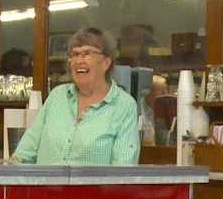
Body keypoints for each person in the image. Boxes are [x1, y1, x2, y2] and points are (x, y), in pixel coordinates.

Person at [11, 27, 140, 165]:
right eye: (74, 54)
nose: (79, 60)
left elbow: (123, 172)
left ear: (106, 63)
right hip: (44, 186)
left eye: (86, 54)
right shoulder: (57, 96)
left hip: (93, 187)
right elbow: (23, 154)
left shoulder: (124, 106)